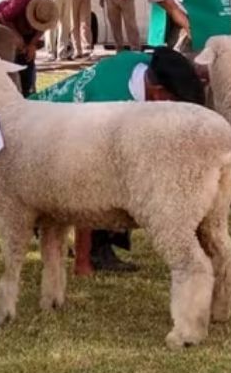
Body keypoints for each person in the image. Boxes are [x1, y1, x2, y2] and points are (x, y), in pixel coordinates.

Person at [29, 47, 206, 274]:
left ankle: (100, 242)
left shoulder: (143, 64)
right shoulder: (111, 109)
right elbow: (85, 179)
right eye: (177, 103)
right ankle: (91, 249)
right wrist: (82, 263)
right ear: (159, 93)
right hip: (42, 143)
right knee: (115, 177)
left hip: (52, 125)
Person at [0, 0, 59, 97]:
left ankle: (28, 91)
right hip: (2, 25)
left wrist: (32, 44)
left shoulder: (47, 10)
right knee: (12, 61)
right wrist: (17, 37)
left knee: (28, 57)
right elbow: (2, 17)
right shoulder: (20, 2)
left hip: (25, 31)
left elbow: (42, 28)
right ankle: (8, 93)